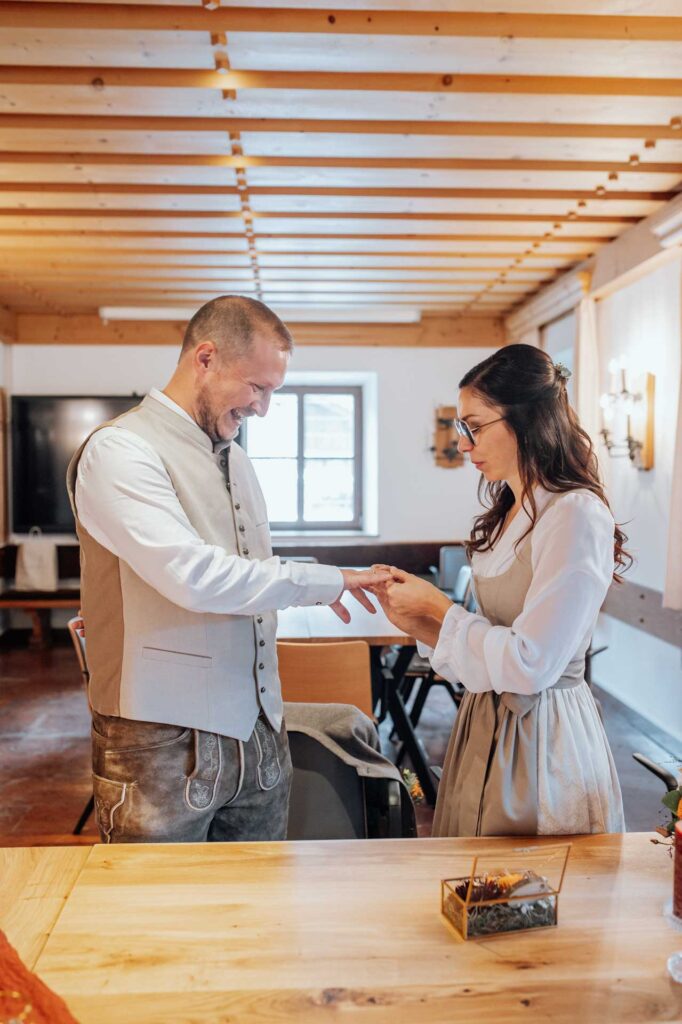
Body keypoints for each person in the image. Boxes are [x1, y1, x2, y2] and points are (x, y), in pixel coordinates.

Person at [66, 295, 389, 844]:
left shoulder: (234, 455)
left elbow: (250, 569)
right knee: (157, 919)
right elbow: (193, 576)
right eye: (256, 387)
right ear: (206, 358)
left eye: (272, 391)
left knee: (258, 911)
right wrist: (324, 581)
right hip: (159, 743)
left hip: (260, 734)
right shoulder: (120, 451)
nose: (263, 407)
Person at [371, 344, 627, 837]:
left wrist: (442, 612)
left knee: (531, 890)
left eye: (475, 426)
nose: (463, 444)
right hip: (484, 719)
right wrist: (420, 622)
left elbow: (531, 663)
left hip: (543, 734)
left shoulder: (574, 514)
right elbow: (488, 648)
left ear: (527, 420)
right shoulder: (511, 509)